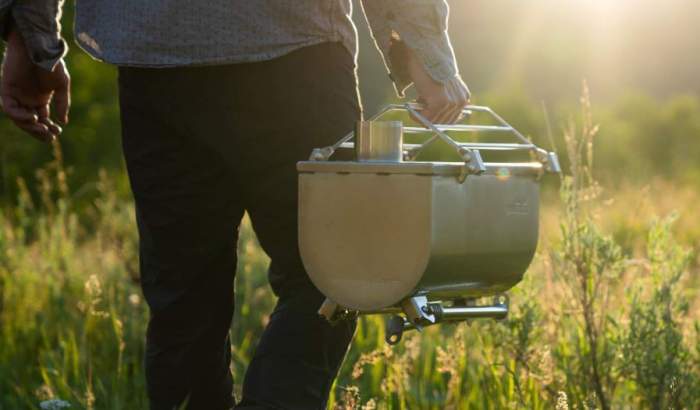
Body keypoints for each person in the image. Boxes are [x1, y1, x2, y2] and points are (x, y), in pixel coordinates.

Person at [0, 1, 470, 409]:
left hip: (155, 57)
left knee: (184, 300)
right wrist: (423, 48)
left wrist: (31, 35)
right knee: (338, 271)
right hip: (291, 47)